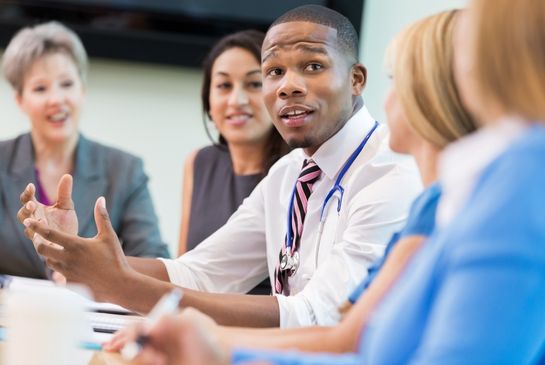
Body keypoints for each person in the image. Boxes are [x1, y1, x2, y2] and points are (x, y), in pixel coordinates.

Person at [134, 0, 545, 363]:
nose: (386, 100)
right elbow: (355, 341)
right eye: (273, 72)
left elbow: (344, 332)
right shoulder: (441, 202)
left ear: (439, 91)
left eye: (396, 81)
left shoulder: (512, 189)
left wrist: (228, 351)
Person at [18, 5, 421, 328]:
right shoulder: (288, 174)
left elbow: (317, 316)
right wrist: (79, 254)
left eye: (313, 66)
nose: (287, 86)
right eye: (275, 72)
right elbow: (200, 273)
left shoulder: (390, 171)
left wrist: (123, 285)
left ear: (357, 79)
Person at [0, 21, 169, 279]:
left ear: (83, 90)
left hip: (92, 316)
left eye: (66, 84)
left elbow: (155, 262)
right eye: (40, 88)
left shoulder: (123, 170)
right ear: (20, 100)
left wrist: (87, 270)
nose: (56, 100)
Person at [179, 30, 289, 295]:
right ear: (208, 101)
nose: (236, 101)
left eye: (253, 84)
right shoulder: (199, 162)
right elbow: (182, 269)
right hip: (195, 323)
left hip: (263, 331)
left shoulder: (297, 171)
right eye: (224, 86)